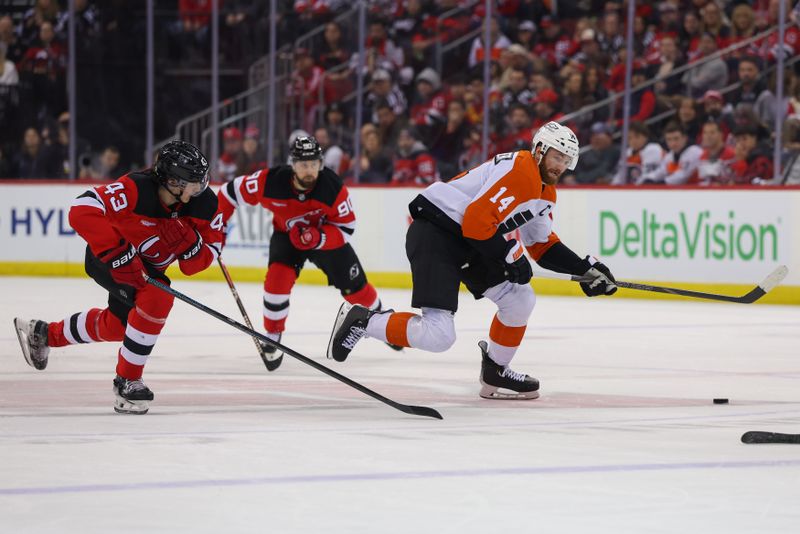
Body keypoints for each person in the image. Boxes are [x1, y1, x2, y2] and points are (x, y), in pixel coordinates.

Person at [326, 122, 618, 400]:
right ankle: (364, 321)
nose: (560, 166)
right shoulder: (522, 170)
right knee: (439, 335)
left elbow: (540, 245)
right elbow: (477, 223)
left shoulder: (544, 191)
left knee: (520, 300)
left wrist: (584, 269)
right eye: (557, 156)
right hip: (437, 233)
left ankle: (496, 372)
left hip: (469, 241)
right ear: (540, 149)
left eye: (566, 161)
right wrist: (509, 256)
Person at [13, 140, 222, 414]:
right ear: (172, 181)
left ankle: (43, 334)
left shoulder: (204, 204)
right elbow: (82, 209)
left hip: (146, 268)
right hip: (108, 258)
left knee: (118, 326)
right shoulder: (135, 189)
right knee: (158, 296)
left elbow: (198, 262)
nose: (200, 189)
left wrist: (191, 245)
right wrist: (117, 252)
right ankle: (128, 381)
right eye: (193, 182)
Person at [216, 135, 400, 371]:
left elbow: (346, 227)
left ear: (321, 164)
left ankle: (384, 323)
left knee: (357, 290)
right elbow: (229, 193)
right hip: (287, 237)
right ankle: (273, 337)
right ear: (292, 165)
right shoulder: (270, 181)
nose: (309, 170)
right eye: (303, 164)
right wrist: (218, 229)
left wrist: (318, 237)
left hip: (325, 238)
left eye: (314, 164)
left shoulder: (332, 188)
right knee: (276, 283)